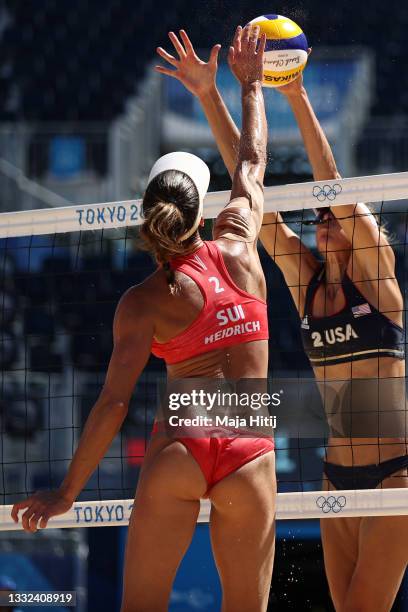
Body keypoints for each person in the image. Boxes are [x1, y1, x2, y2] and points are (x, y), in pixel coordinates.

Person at [11, 26, 277, 612]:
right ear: (200, 209)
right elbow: (252, 161)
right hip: (250, 444)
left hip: (182, 442)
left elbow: (111, 405)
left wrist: (65, 494)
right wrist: (246, 87)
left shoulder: (140, 301)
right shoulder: (238, 245)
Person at [157, 31, 408, 612]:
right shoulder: (309, 280)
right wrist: (208, 96)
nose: (325, 221)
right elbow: (249, 196)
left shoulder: (380, 279)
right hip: (334, 478)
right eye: (320, 216)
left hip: (395, 477)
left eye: (335, 216)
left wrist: (293, 94)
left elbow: (339, 192)